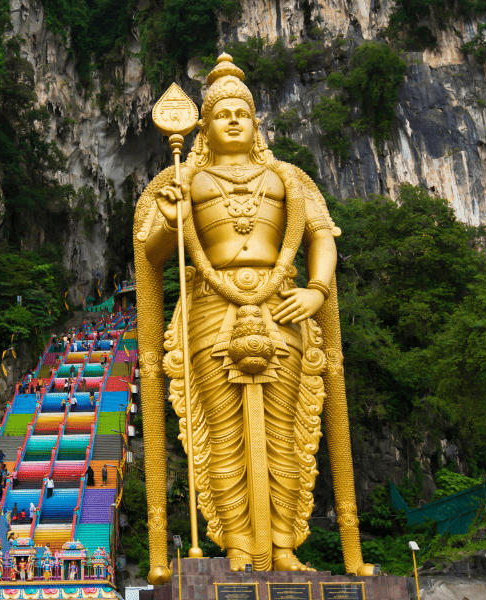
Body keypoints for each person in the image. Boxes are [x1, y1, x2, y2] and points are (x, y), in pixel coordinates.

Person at [135, 53, 373, 577]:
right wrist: (170, 220)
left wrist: (315, 290)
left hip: (283, 304)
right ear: (205, 126)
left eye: (243, 112)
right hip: (210, 310)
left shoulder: (288, 178)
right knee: (222, 437)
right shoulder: (185, 181)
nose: (235, 120)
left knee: (286, 432)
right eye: (223, 114)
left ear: (257, 122)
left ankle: (284, 545)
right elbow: (151, 254)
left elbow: (321, 236)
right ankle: (239, 547)